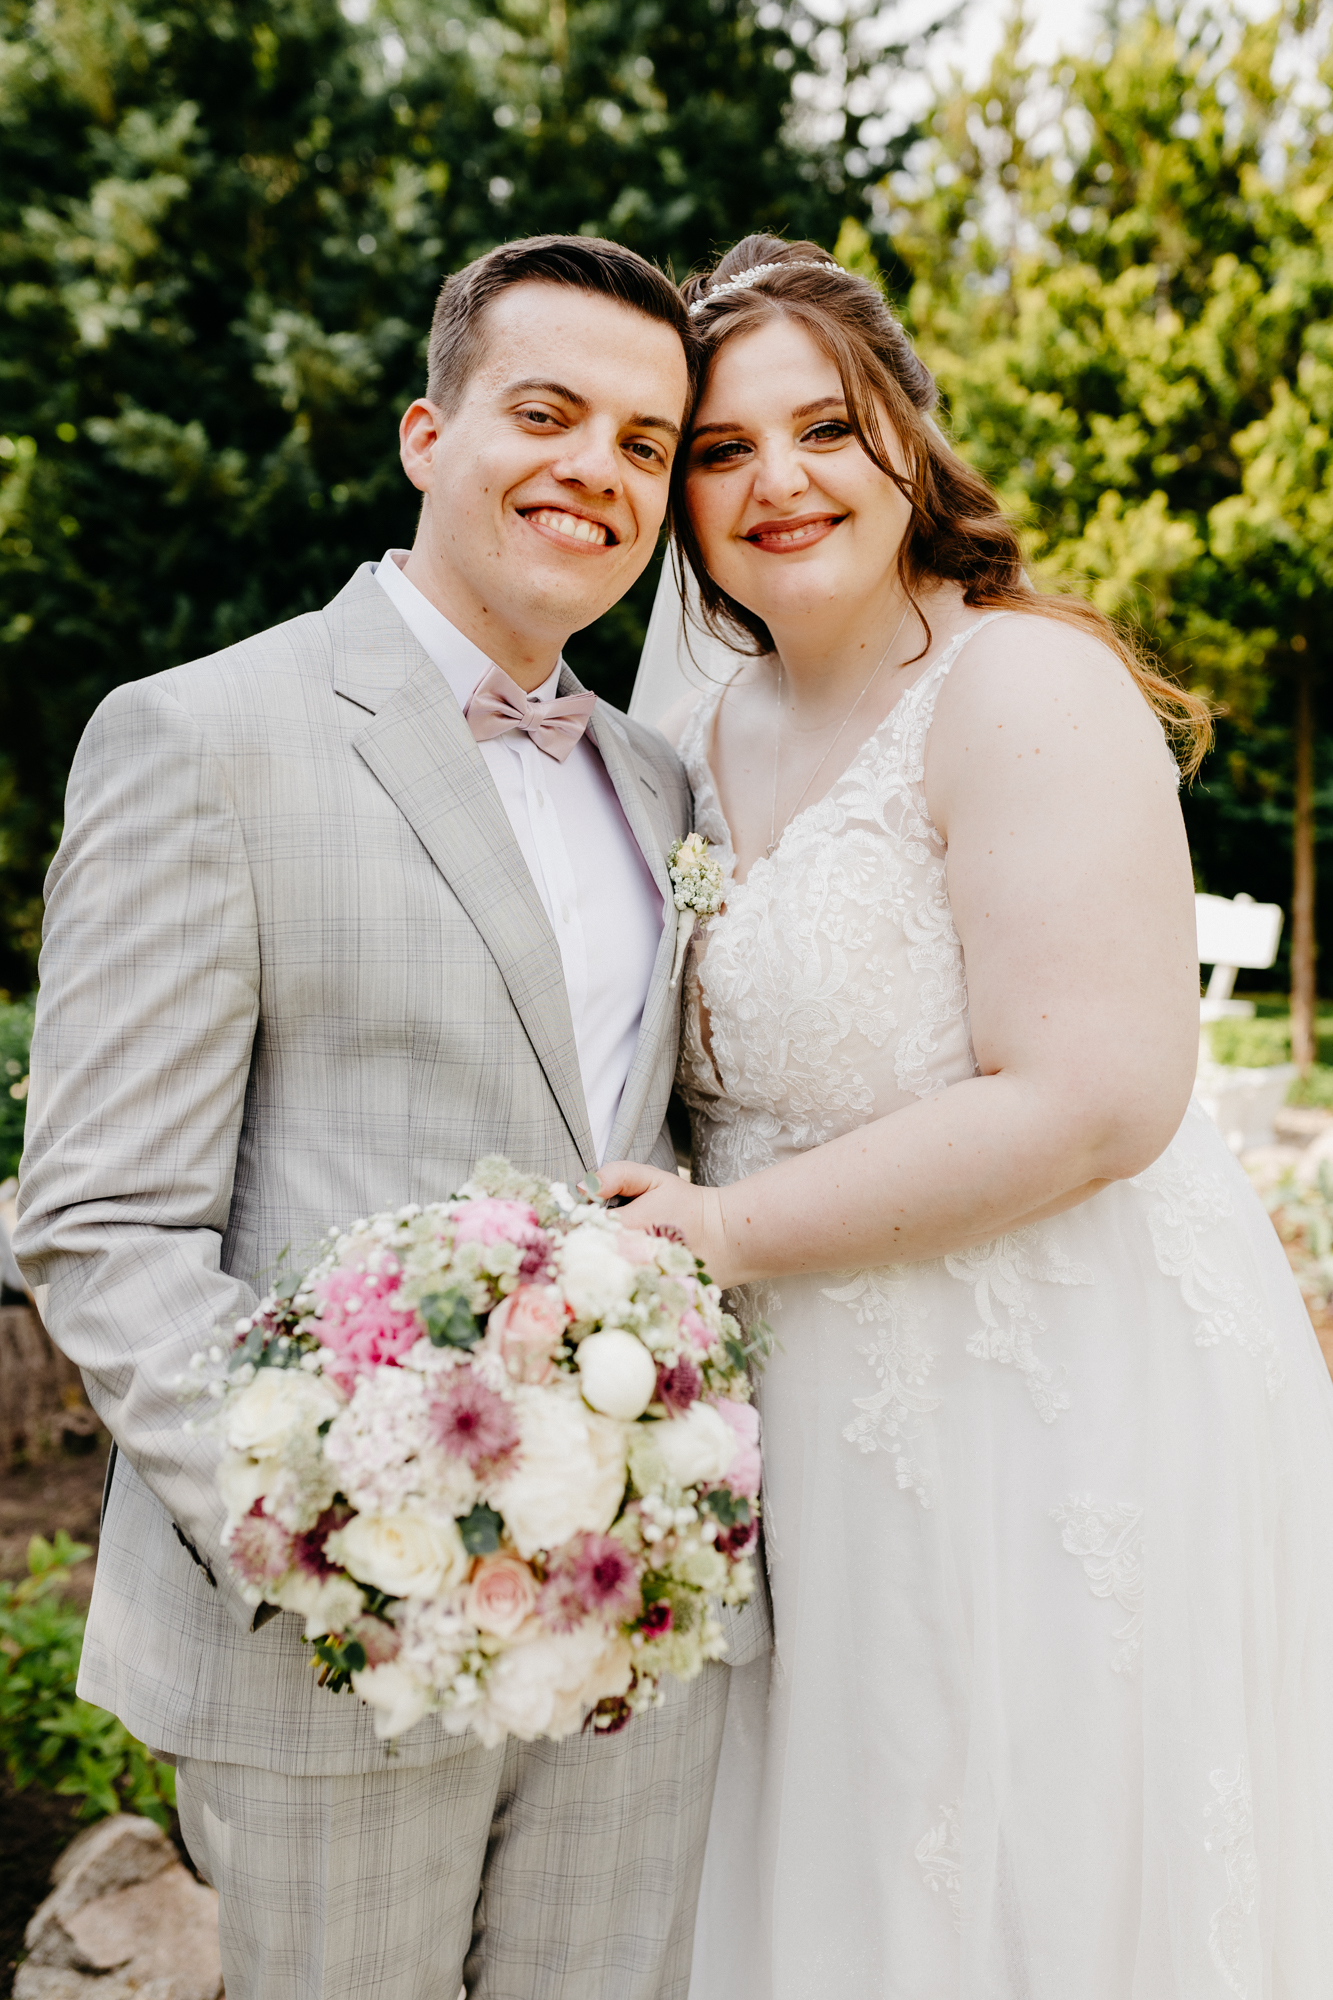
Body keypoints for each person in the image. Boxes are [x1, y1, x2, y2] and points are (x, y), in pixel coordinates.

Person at [15, 233, 768, 2000]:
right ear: (429, 433)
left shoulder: (665, 774)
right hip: (326, 1641)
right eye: (547, 410)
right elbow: (103, 1225)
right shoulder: (201, 737)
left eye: (645, 444)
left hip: (638, 1627)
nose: (596, 467)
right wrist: (337, 1531)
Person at [600, 236, 1333, 1998]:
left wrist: (725, 1235)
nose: (777, 481)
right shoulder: (691, 722)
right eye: (717, 449)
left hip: (1049, 1398)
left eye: (824, 429)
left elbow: (1098, 1098)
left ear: (908, 443)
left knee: (1032, 1855)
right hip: (797, 1423)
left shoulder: (1019, 684)